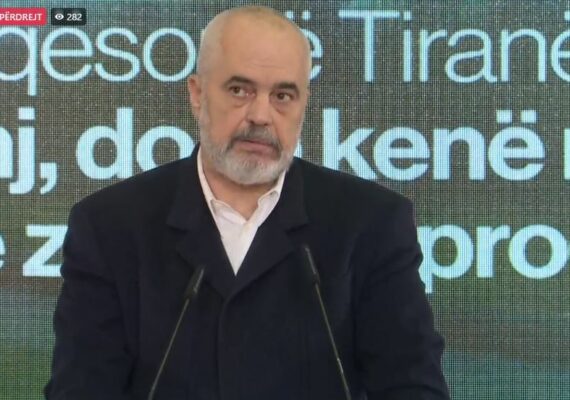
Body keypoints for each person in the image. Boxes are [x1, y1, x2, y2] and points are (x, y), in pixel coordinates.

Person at [45, 6, 449, 400]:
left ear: (303, 104)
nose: (260, 115)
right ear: (197, 94)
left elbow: (412, 385)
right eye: (240, 90)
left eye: (283, 95)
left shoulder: (371, 223)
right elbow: (80, 388)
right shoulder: (109, 225)